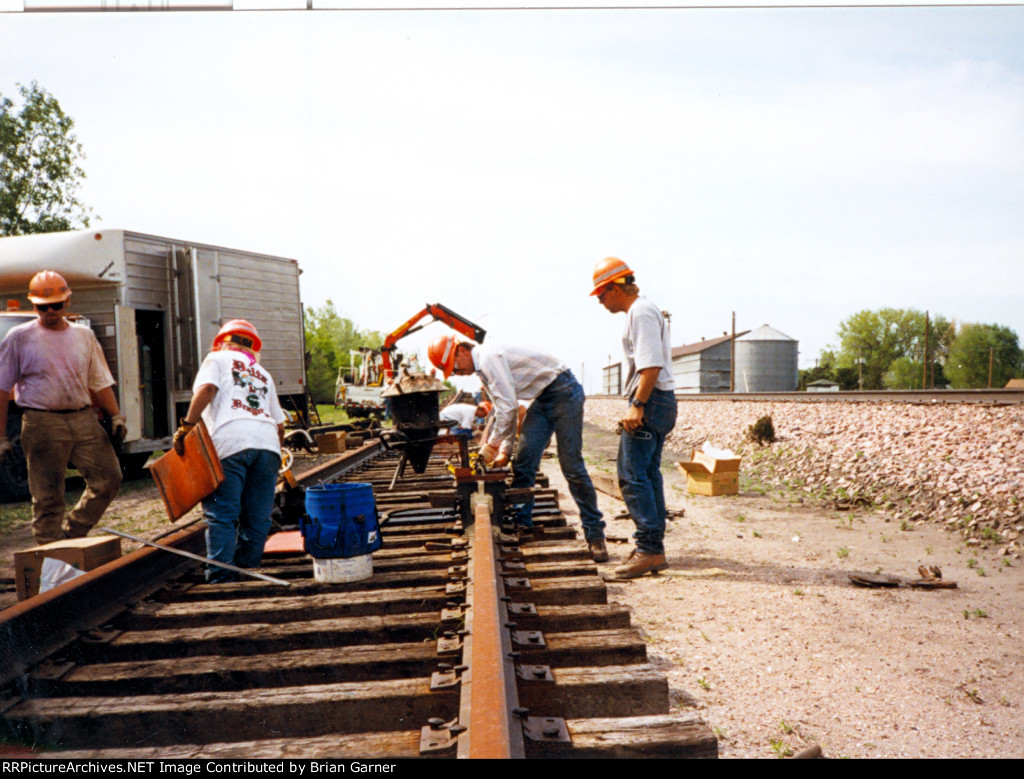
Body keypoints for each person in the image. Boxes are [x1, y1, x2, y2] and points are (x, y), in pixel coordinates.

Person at [428, 335, 608, 561]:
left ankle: (595, 536)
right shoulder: (483, 371)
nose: (455, 373)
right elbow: (505, 410)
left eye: (453, 367)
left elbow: (509, 410)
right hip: (543, 399)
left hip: (565, 392)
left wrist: (492, 446)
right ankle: (523, 524)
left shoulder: (488, 358)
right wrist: (504, 450)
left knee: (571, 464)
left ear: (461, 350)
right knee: (524, 460)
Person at [0, 271, 126, 545]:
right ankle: (49, 554)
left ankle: (72, 535)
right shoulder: (19, 337)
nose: (50, 312)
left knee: (109, 478)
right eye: (43, 307)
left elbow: (99, 380)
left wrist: (115, 415)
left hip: (82, 418)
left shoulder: (84, 335)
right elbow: (1, 387)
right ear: (34, 306)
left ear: (67, 302)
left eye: (56, 305)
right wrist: (1, 437)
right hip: (41, 421)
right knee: (47, 495)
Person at [173, 319, 285, 583]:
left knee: (222, 514)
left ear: (222, 341)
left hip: (230, 442)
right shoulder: (263, 373)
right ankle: (249, 568)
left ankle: (222, 576)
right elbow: (279, 425)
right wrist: (270, 460)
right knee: (257, 516)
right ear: (252, 346)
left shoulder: (217, 359)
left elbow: (207, 389)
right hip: (268, 445)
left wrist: (188, 425)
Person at [592, 257, 677, 578]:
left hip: (651, 400)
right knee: (648, 473)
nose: (600, 302)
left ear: (615, 289)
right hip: (661, 400)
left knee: (631, 474)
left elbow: (651, 365)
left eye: (601, 295)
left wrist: (637, 404)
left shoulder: (639, 313)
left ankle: (649, 550)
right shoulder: (644, 311)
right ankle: (652, 546)